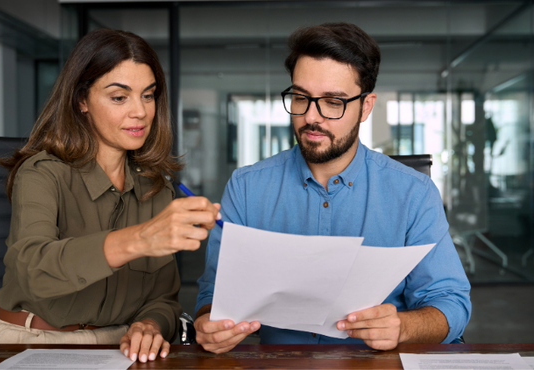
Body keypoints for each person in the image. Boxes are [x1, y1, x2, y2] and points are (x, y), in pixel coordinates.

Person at [194, 22, 471, 353]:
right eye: (301, 97)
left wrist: (404, 327)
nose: (312, 117)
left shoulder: (414, 193)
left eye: (333, 102)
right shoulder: (247, 187)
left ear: (366, 106)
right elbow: (213, 294)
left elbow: (450, 303)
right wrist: (209, 323)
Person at [0, 28, 221, 364]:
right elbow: (33, 270)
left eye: (148, 95)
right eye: (119, 97)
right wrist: (140, 238)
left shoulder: (157, 189)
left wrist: (150, 324)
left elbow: (164, 299)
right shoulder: (41, 173)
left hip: (118, 345)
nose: (140, 111)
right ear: (82, 100)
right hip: (33, 340)